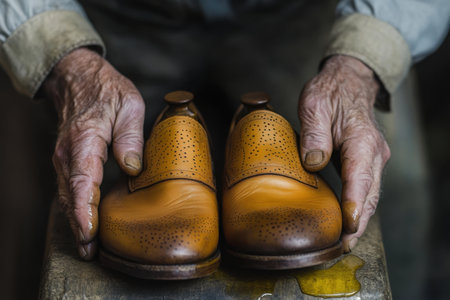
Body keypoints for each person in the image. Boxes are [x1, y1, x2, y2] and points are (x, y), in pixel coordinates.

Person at [0, 0, 448, 265]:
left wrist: (363, 60)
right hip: (108, 17)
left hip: (304, 18)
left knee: (396, 187)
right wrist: (61, 57)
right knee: (38, 208)